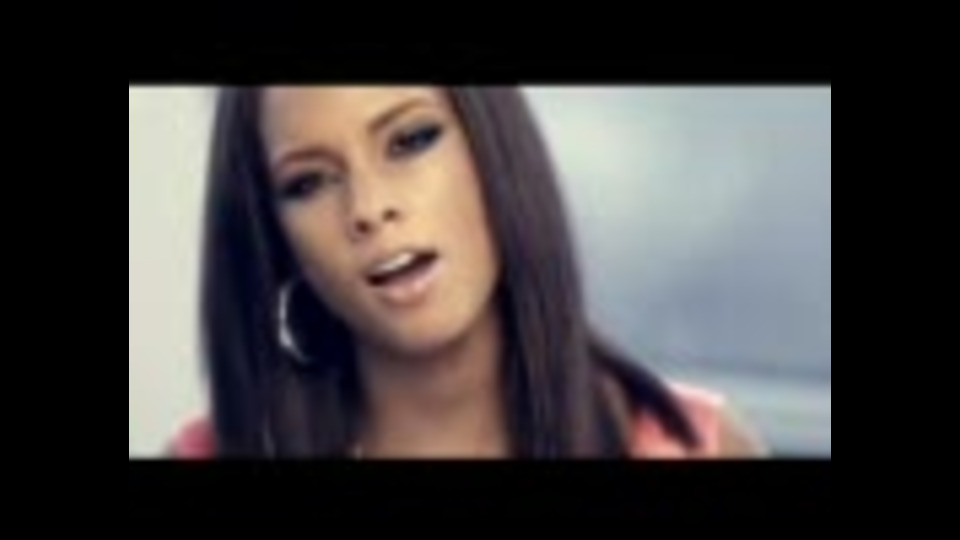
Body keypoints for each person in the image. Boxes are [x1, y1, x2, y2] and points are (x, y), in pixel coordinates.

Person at [171, 86, 766, 459]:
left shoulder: (699, 447)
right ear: (275, 239)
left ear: (494, 148)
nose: (369, 208)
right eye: (308, 182)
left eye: (411, 140)